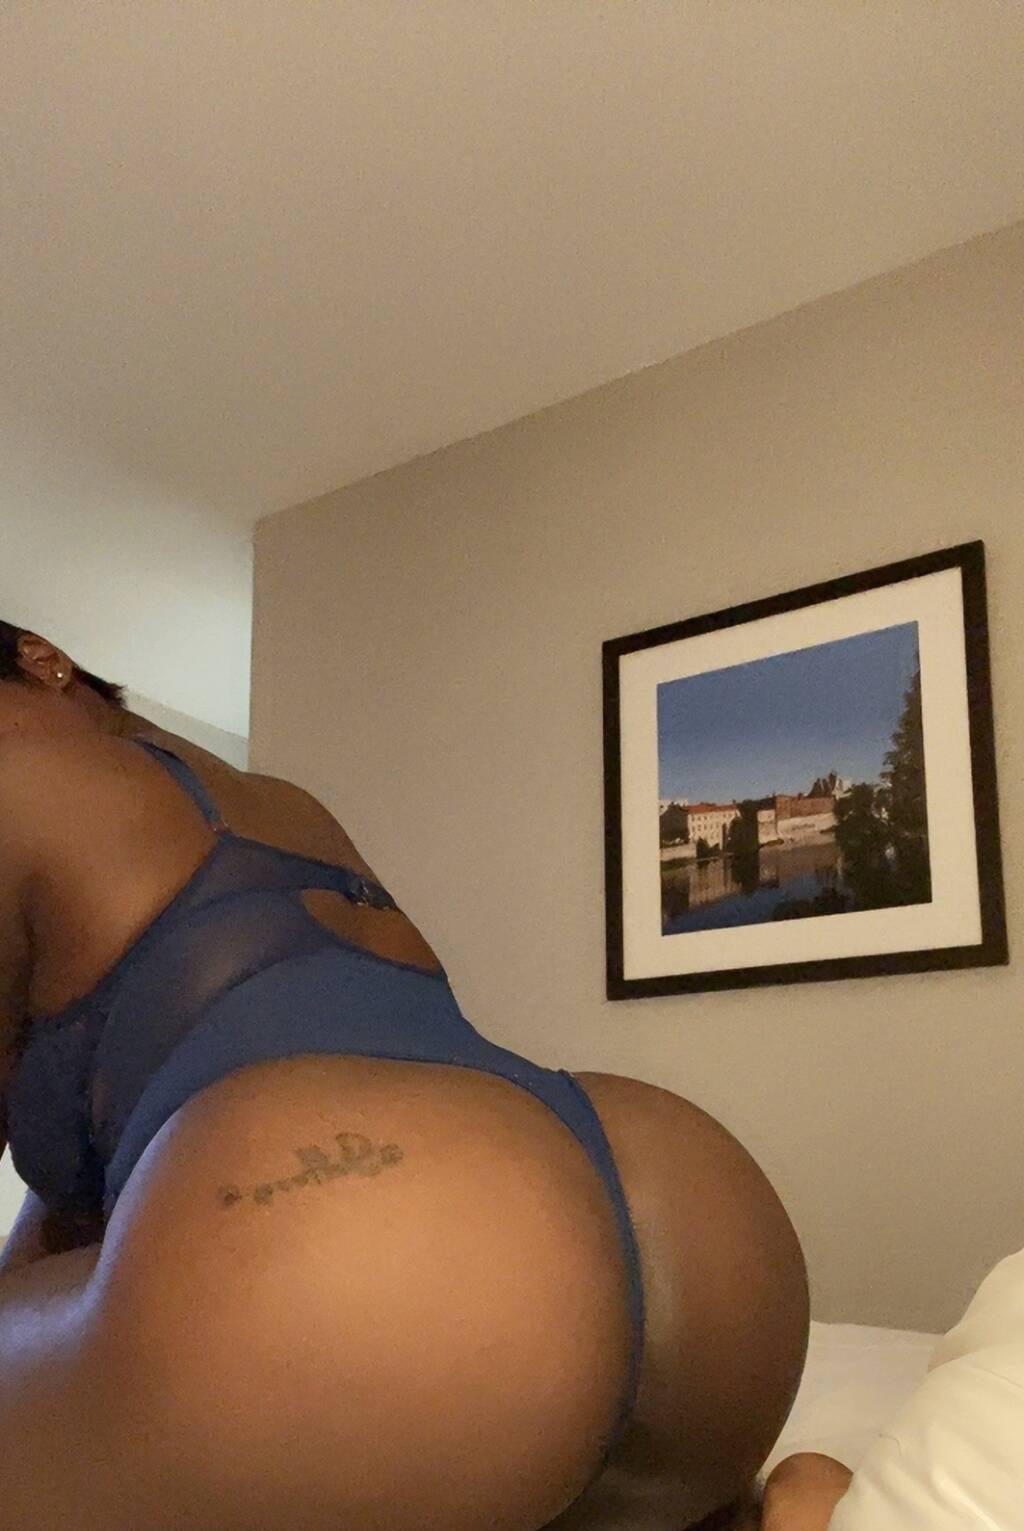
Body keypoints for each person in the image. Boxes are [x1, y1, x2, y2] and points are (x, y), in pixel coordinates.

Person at [0, 621, 810, 1531]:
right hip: (684, 1214)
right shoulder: (287, 804)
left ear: (41, 657)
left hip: (370, 1259)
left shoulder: (16, 780)